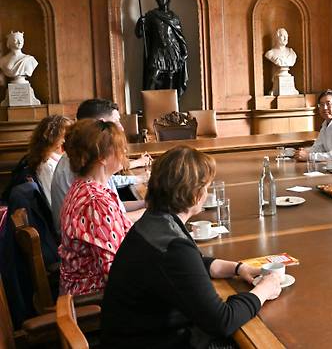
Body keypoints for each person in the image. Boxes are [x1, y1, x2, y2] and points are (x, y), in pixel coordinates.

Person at [101, 146, 281, 349]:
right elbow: (222, 321)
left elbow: (189, 265)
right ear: (195, 194)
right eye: (206, 186)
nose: (207, 191)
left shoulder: (154, 222)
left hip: (130, 336)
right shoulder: (173, 246)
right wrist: (264, 290)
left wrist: (238, 268)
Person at [51, 99, 149, 234]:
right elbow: (111, 221)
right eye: (116, 122)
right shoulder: (93, 196)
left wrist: (144, 205)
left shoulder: (90, 173)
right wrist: (150, 212)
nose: (121, 127)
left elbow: (114, 210)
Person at [59, 119, 133, 295]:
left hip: (87, 291)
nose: (124, 152)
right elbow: (116, 273)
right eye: (119, 147)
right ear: (102, 157)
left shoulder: (84, 186)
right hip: (94, 299)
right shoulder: (95, 201)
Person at [135, 0, 188, 97]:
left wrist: (184, 51)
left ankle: (169, 105)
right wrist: (140, 23)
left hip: (172, 49)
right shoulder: (151, 15)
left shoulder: (174, 18)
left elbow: (179, 36)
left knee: (170, 78)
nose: (159, 0)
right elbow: (140, 34)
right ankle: (147, 104)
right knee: (152, 76)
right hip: (157, 50)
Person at [294, 89, 332, 167]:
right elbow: (318, 147)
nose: (325, 108)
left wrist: (309, 156)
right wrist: (303, 152)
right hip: (331, 167)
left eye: (328, 104)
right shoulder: (326, 123)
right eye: (321, 105)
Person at [0, 31, 40, 105]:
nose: (19, 42)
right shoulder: (3, 61)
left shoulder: (30, 59)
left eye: (21, 40)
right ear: (9, 42)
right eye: (16, 40)